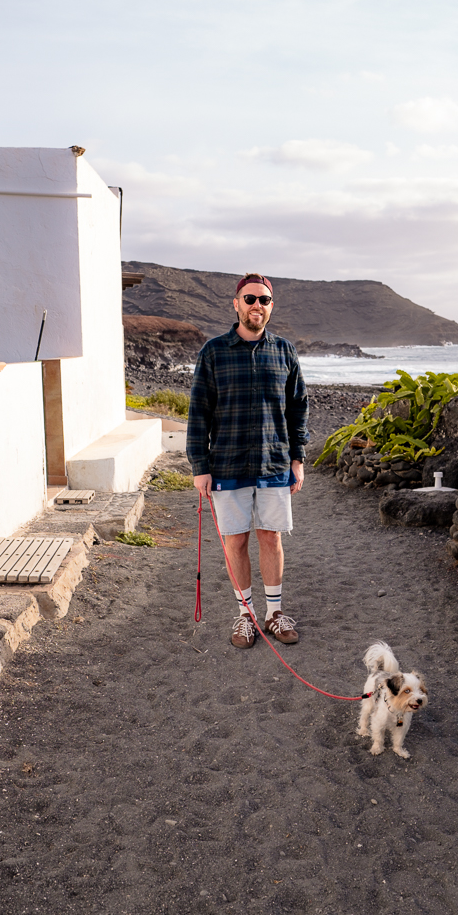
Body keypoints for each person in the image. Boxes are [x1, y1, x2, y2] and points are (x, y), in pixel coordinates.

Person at [187, 272, 309, 649]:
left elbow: (298, 409)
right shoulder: (213, 352)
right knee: (235, 542)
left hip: (274, 462)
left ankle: (274, 613)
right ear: (236, 304)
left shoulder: (285, 351)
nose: (258, 305)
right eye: (250, 299)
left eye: (265, 300)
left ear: (272, 306)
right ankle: (246, 616)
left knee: (270, 538)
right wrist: (199, 466)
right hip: (226, 464)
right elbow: (198, 413)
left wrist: (297, 458)